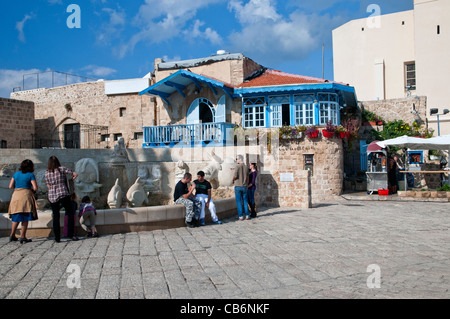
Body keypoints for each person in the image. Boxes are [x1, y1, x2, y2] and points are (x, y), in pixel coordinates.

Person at [45, 156, 79, 242]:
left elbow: (48, 185)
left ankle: (57, 238)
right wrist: (72, 179)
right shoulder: (61, 169)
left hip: (52, 195)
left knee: (55, 216)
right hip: (63, 193)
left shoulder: (47, 172)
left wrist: (53, 187)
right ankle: (71, 235)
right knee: (70, 212)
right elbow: (74, 174)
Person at [8, 159, 38, 244]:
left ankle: (12, 235)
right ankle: (23, 236)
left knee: (16, 216)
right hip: (26, 196)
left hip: (16, 195)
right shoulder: (30, 175)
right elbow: (35, 187)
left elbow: (10, 186)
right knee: (25, 216)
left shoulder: (16, 174)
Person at [232, 154, 250, 220]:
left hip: (238, 186)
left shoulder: (237, 167)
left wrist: (233, 180)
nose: (236, 160)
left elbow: (235, 176)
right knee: (245, 201)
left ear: (240, 159)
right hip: (244, 186)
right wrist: (247, 184)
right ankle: (247, 215)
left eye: (236, 159)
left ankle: (241, 216)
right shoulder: (246, 167)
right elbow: (248, 177)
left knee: (239, 201)